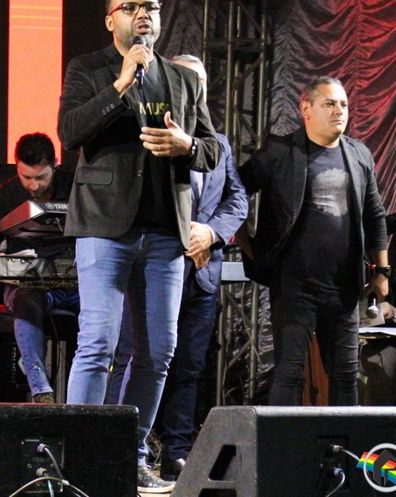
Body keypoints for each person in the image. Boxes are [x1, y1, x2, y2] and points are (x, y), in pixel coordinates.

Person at [57, 0, 220, 491]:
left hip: (165, 232)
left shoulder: (183, 79)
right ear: (111, 20)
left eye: (151, 6)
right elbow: (70, 132)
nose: (143, 13)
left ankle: (130, 452)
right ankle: (80, 456)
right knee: (99, 343)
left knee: (159, 351)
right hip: (104, 225)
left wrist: (187, 146)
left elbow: (213, 149)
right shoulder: (88, 68)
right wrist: (121, 84)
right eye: (130, 6)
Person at [106, 55, 248, 481]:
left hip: (202, 273)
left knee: (187, 367)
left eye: (200, 82)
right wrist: (184, 232)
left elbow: (237, 199)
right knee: (135, 357)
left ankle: (177, 452)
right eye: (187, 81)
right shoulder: (148, 134)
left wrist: (210, 232)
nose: (194, 89)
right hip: (154, 267)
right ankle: (119, 449)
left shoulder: (217, 143)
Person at [237, 76, 389, 407]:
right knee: (289, 372)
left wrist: (382, 272)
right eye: (330, 104)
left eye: (344, 104)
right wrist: (249, 246)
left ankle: (342, 442)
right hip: (295, 286)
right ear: (305, 108)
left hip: (344, 287)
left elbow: (375, 214)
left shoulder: (359, 155)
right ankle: (282, 442)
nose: (339, 111)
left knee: (345, 375)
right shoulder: (279, 153)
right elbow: (234, 191)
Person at [0, 132, 78, 404]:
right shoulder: (2, 197)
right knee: (26, 301)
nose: (33, 185)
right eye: (26, 177)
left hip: (76, 283)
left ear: (55, 164)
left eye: (41, 177)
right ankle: (40, 388)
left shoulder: (77, 187)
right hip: (28, 285)